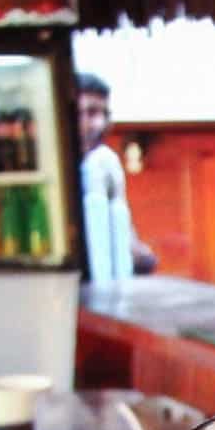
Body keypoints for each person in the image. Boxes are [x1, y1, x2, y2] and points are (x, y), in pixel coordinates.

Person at [76, 71, 157, 278]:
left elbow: (123, 232)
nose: (99, 124)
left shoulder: (105, 163)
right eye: (90, 113)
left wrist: (140, 254)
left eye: (104, 114)